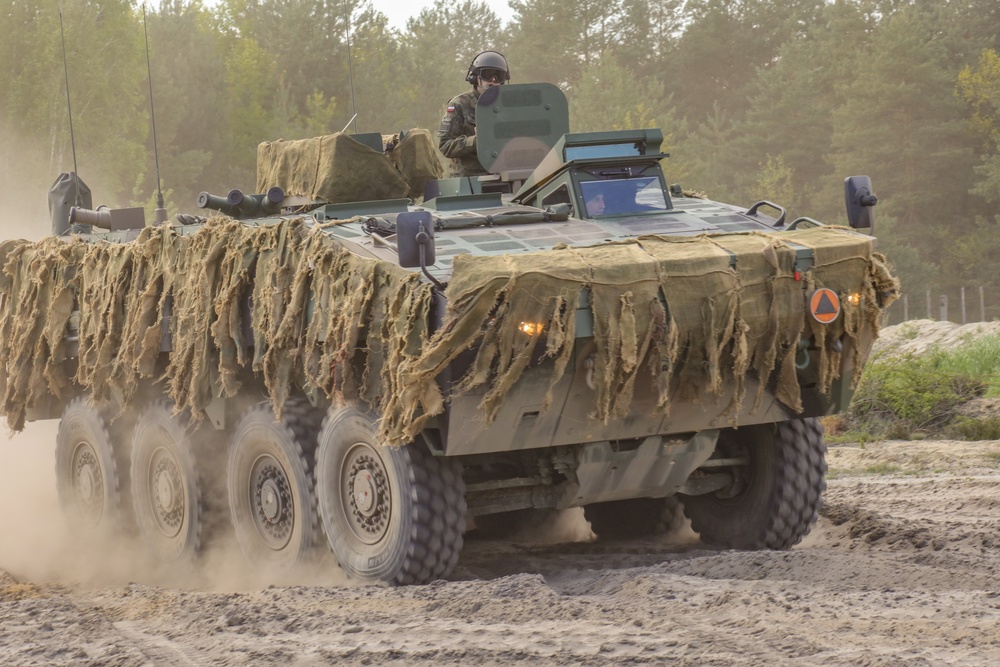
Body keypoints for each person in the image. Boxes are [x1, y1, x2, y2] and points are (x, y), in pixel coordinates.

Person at [438, 51, 510, 177]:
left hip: (506, 176)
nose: (493, 80)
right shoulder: (459, 105)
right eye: (488, 74)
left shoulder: (508, 105)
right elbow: (445, 146)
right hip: (470, 181)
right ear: (476, 77)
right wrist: (476, 141)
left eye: (499, 75)